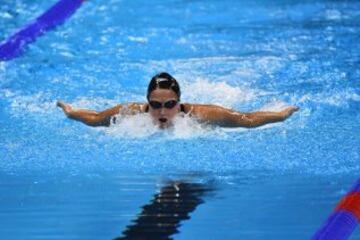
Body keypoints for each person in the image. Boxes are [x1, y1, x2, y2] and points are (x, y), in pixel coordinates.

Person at [57, 72, 299, 129]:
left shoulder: (201, 115)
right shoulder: (131, 113)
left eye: (170, 104)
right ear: (147, 102)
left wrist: (280, 114)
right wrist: (70, 112)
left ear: (179, 102)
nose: (163, 111)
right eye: (156, 104)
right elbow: (96, 118)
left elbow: (246, 119)